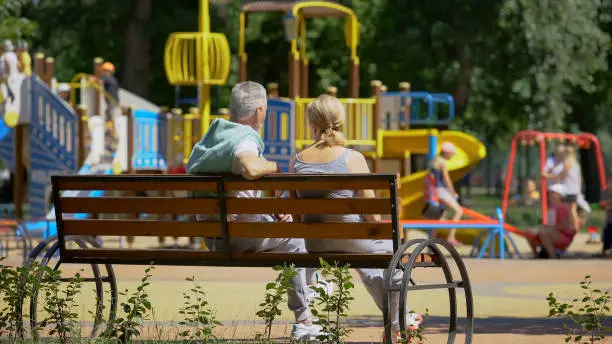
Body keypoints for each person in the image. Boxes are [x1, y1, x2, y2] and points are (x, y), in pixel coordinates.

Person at [187, 81, 320, 340]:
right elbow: (248, 167)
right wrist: (274, 167)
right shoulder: (245, 138)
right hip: (239, 235)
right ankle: (305, 316)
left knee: (285, 230)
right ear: (260, 111)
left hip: (212, 236)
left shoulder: (210, 137)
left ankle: (310, 286)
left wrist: (271, 212)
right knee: (297, 239)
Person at [290, 94, 422, 340]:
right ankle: (397, 323)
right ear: (340, 121)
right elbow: (372, 216)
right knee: (392, 253)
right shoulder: (353, 158)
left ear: (312, 124)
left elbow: (297, 216)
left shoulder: (296, 161)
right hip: (353, 241)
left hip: (315, 244)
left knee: (371, 261)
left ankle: (398, 321)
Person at [428, 142, 463, 245]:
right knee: (459, 211)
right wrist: (453, 192)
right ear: (447, 152)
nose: (452, 156)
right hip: (441, 191)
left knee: (440, 216)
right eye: (451, 153)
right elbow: (447, 180)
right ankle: (451, 237)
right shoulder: (442, 162)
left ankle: (431, 240)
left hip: (435, 191)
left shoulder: (434, 161)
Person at [528, 184, 576, 258]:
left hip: (563, 236)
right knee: (530, 232)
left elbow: (565, 225)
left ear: (560, 195)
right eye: (550, 193)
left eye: (553, 193)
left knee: (544, 233)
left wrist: (549, 229)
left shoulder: (563, 207)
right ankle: (536, 254)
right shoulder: (550, 207)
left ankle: (552, 256)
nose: (550, 194)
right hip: (553, 233)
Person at [543, 145, 582, 231]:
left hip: (567, 190)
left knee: (568, 210)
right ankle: (575, 227)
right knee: (572, 210)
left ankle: (571, 227)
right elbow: (580, 179)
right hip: (574, 190)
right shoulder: (576, 164)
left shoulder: (567, 163)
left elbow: (561, 176)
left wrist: (549, 175)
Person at [599, 175, 612, 256]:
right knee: (607, 232)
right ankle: (605, 249)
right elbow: (603, 206)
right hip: (610, 220)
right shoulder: (605, 192)